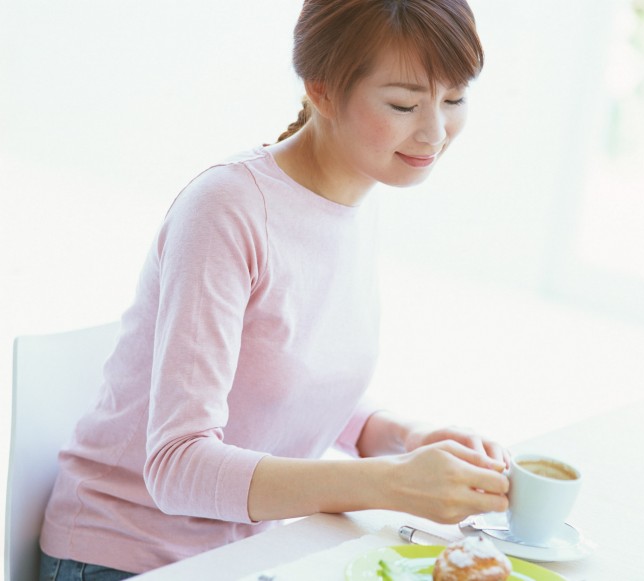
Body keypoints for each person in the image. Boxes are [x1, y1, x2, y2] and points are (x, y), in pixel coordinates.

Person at [38, 1, 509, 579]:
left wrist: (395, 436)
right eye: (404, 104)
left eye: (455, 98)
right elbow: (177, 466)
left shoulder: (357, 196)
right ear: (322, 92)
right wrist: (391, 485)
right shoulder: (227, 209)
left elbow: (275, 369)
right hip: (122, 557)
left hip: (246, 557)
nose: (435, 132)